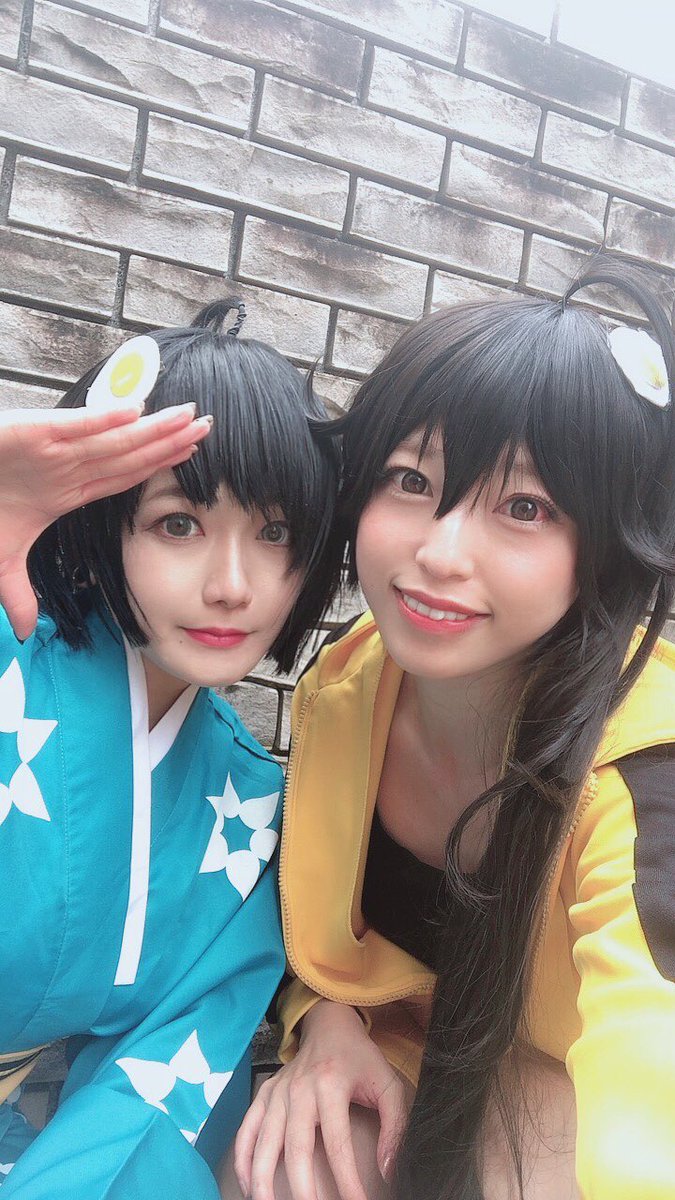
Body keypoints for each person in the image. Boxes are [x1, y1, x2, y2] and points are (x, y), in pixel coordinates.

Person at [230, 264, 675, 1200]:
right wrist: (326, 1026)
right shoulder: (349, 683)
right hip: (409, 1048)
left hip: (561, 1085)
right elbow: (317, 921)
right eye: (411, 480)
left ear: (602, 545)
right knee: (280, 1166)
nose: (438, 553)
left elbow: (650, 1052)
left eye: (524, 507)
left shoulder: (645, 770)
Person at [0, 300, 341, 1198]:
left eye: (275, 533)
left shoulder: (248, 798)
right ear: (96, 522)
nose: (233, 586)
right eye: (178, 523)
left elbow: (155, 1087)